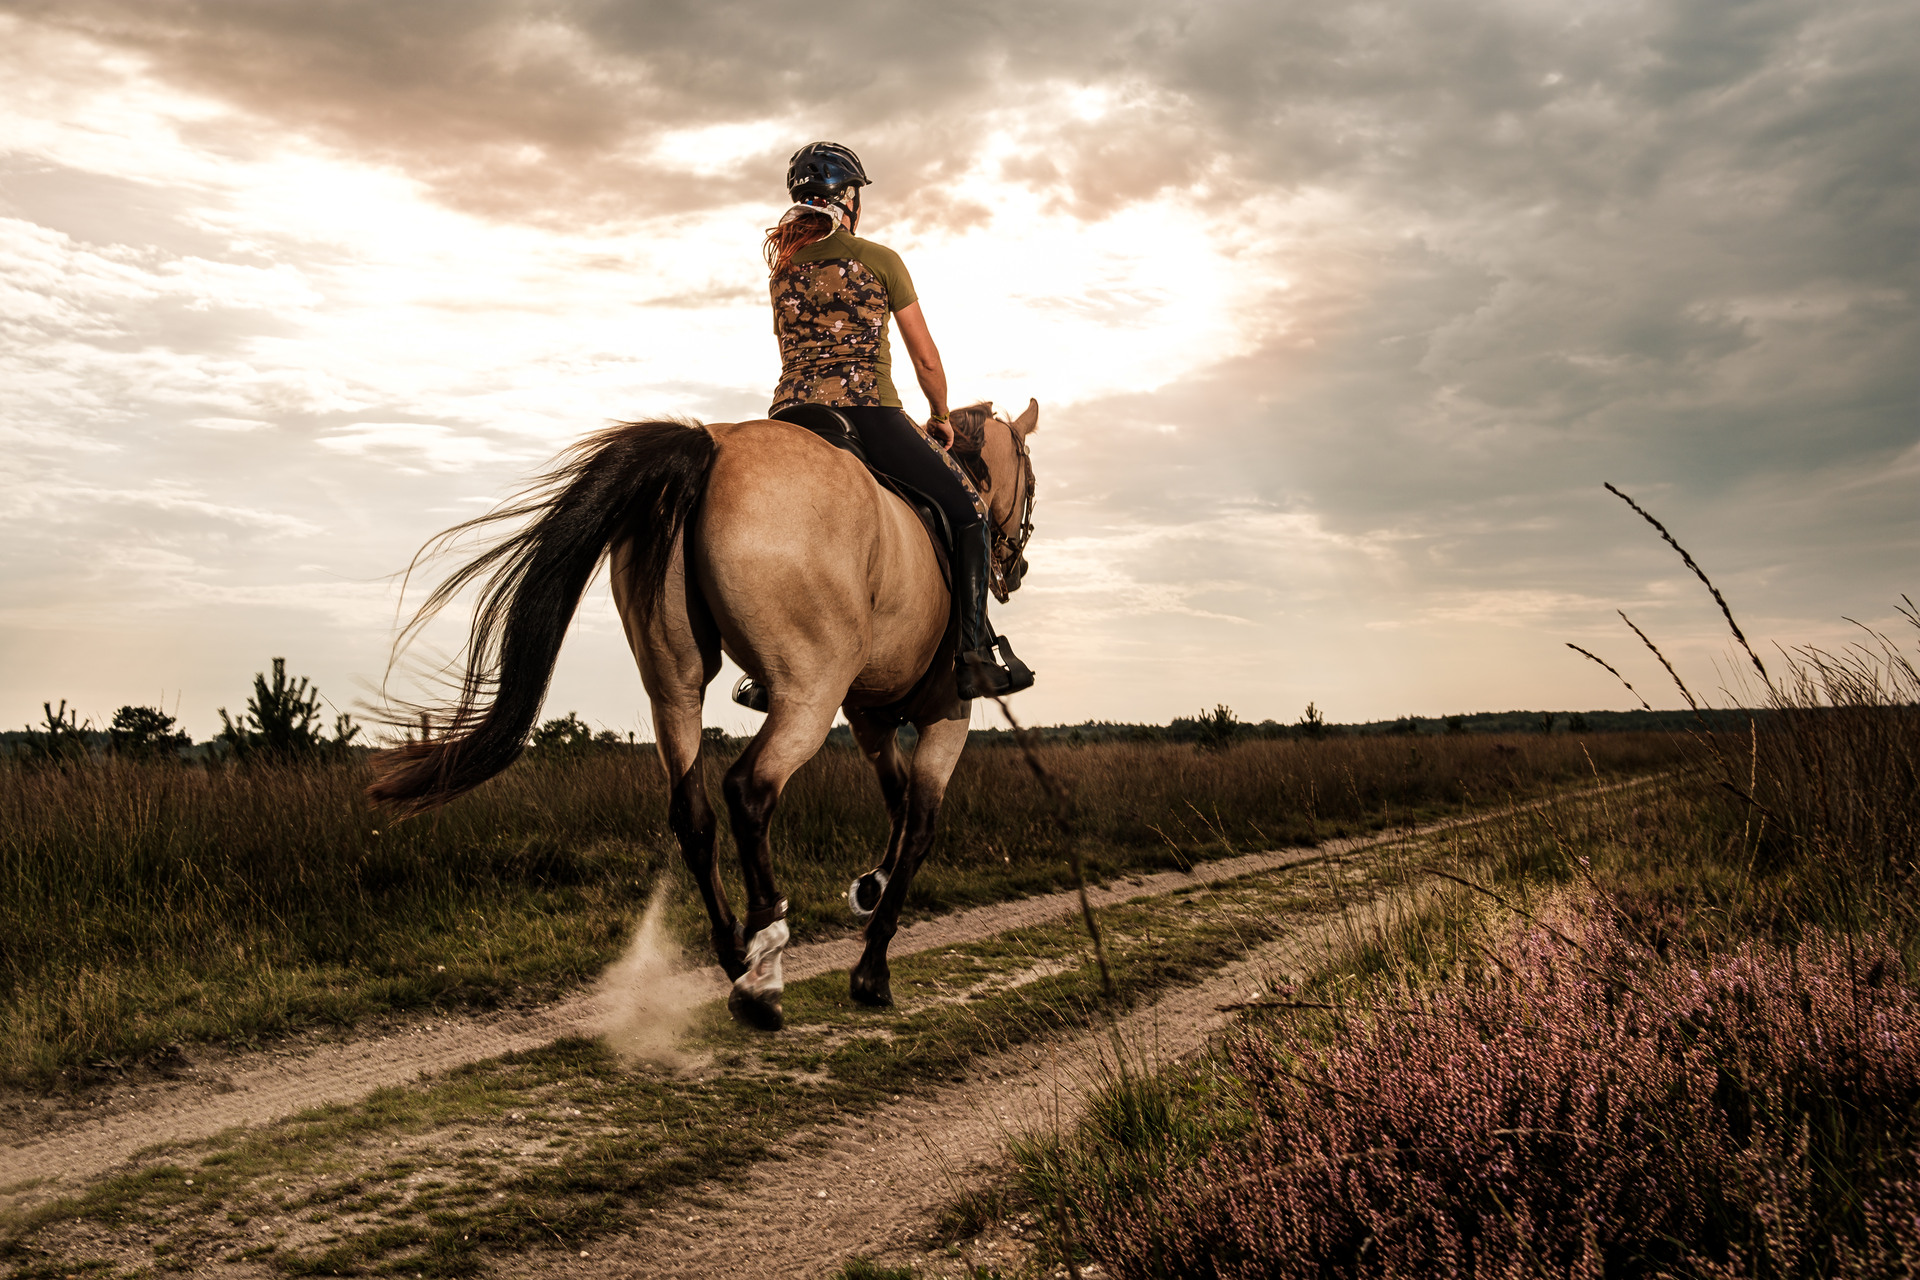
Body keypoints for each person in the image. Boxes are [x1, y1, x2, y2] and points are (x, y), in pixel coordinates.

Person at [756, 141, 1032, 701]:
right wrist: (938, 417)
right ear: (848, 197)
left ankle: (761, 671)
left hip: (791, 416)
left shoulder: (781, 268)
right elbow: (926, 361)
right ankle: (974, 654)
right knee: (969, 511)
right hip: (866, 411)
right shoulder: (879, 258)